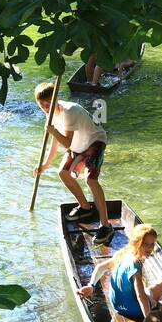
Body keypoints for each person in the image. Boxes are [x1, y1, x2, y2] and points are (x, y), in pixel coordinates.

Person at [33, 81, 111, 243]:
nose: (46, 108)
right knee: (62, 172)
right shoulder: (50, 115)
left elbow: (66, 143)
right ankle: (85, 207)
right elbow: (55, 142)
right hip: (78, 145)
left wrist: (52, 130)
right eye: (42, 105)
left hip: (94, 141)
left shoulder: (70, 111)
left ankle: (105, 225)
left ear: (56, 99)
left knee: (90, 179)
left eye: (48, 104)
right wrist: (45, 165)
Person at [77, 223, 162, 322]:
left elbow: (100, 267)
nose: (150, 248)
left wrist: (91, 286)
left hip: (116, 304)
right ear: (136, 243)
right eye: (145, 244)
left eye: (152, 244)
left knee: (152, 287)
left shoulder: (124, 253)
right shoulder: (135, 265)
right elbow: (141, 296)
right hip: (132, 310)